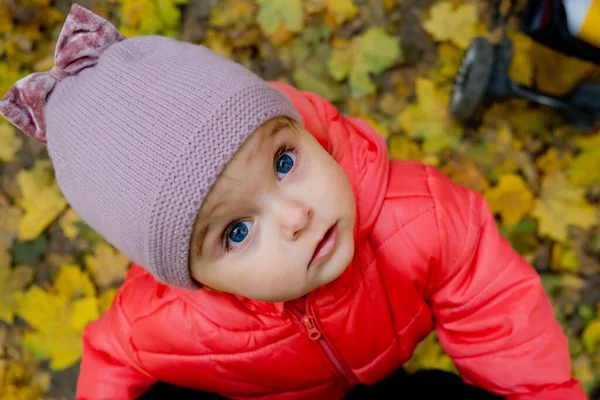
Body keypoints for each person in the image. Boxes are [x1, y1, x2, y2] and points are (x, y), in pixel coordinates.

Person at [0, 4, 585, 400]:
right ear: (192, 278)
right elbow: (111, 357)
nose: (296, 214)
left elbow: (498, 317)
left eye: (284, 162)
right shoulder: (168, 322)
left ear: (300, 129)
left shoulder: (416, 215)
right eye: (235, 233)